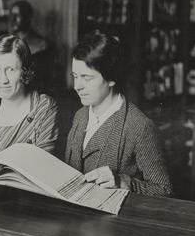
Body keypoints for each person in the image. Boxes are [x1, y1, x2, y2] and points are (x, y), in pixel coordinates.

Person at [65, 31, 173, 197]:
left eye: (86, 78)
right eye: (75, 76)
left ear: (111, 78)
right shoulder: (80, 116)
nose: (77, 86)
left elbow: (164, 191)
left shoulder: (139, 127)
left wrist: (122, 182)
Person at [0, 34, 59, 160]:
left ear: (25, 71)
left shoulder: (43, 106)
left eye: (11, 70)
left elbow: (43, 163)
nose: (3, 80)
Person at [9, 0, 56, 94]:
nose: (13, 19)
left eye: (17, 15)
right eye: (11, 15)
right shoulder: (7, 43)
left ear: (28, 17)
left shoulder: (42, 44)